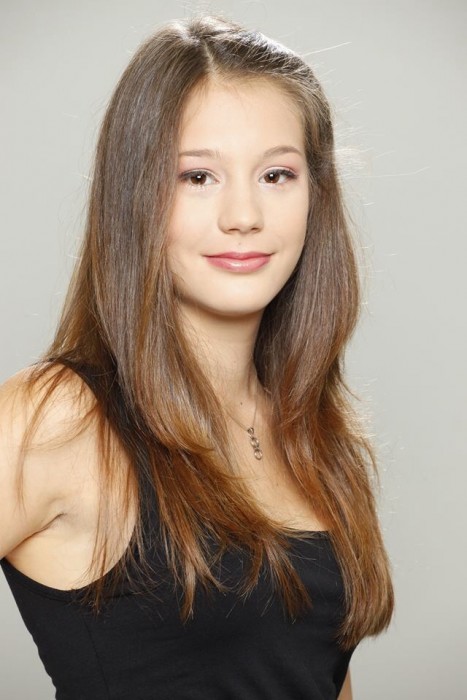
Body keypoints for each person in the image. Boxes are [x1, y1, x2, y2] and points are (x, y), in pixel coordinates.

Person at [0, 14, 393, 700]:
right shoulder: (57, 418)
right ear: (136, 195)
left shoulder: (315, 434)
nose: (243, 215)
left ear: (315, 194)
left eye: (276, 174)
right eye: (197, 176)